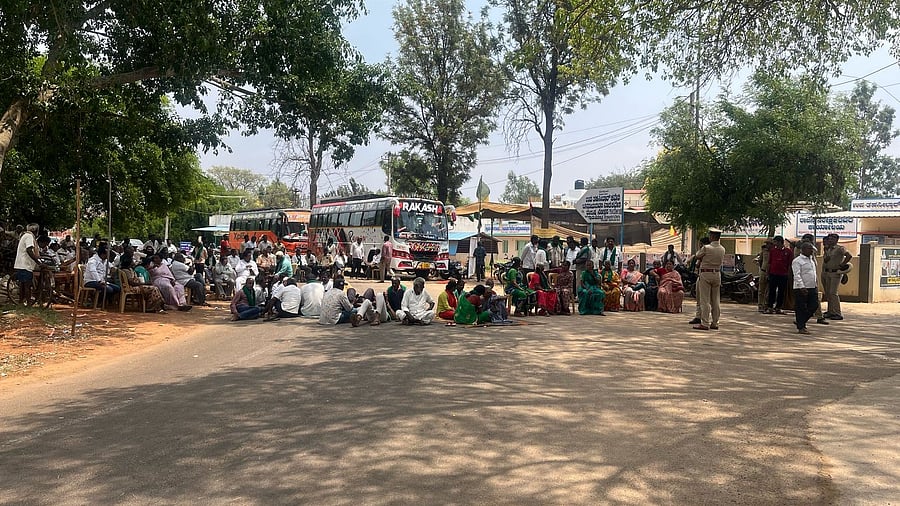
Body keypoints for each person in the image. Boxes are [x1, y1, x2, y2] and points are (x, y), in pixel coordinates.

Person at [693, 229, 726, 330]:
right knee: (716, 300)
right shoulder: (722, 249)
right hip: (717, 274)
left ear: (712, 236)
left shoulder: (706, 248)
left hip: (705, 274)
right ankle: (715, 322)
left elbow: (697, 255)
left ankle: (705, 322)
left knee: (705, 300)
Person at [821, 233, 852, 321]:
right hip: (827, 272)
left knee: (833, 293)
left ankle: (837, 313)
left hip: (836, 273)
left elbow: (849, 255)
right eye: (829, 239)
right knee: (828, 293)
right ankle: (830, 311)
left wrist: (842, 264)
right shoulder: (828, 249)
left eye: (832, 239)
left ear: (836, 240)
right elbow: (826, 260)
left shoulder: (840, 248)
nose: (830, 240)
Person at [792, 241, 819, 335]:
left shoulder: (811, 260)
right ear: (803, 250)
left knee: (814, 305)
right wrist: (802, 287)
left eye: (812, 249)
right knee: (801, 307)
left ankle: (801, 321)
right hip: (801, 288)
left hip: (812, 286)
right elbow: (797, 275)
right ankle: (801, 327)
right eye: (809, 249)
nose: (811, 251)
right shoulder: (797, 261)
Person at [13, 223, 41, 305]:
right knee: (27, 285)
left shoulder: (25, 235)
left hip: (22, 264)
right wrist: (38, 262)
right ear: (36, 231)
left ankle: (21, 302)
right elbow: (29, 250)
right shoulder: (29, 236)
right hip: (25, 264)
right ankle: (28, 303)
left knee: (23, 284)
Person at [765, 236, 793, 315]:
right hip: (773, 274)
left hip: (783, 275)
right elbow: (769, 263)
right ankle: (770, 307)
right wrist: (768, 273)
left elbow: (790, 264)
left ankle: (778, 307)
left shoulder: (788, 251)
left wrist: (789, 274)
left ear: (780, 242)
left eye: (776, 242)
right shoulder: (773, 251)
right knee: (772, 291)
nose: (775, 244)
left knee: (781, 292)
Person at [754, 239, 773, 313]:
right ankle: (760, 306)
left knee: (768, 290)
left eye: (769, 244)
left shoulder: (774, 252)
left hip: (771, 272)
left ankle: (766, 305)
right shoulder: (764, 251)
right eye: (766, 243)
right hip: (763, 271)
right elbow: (760, 260)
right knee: (761, 290)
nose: (767, 245)